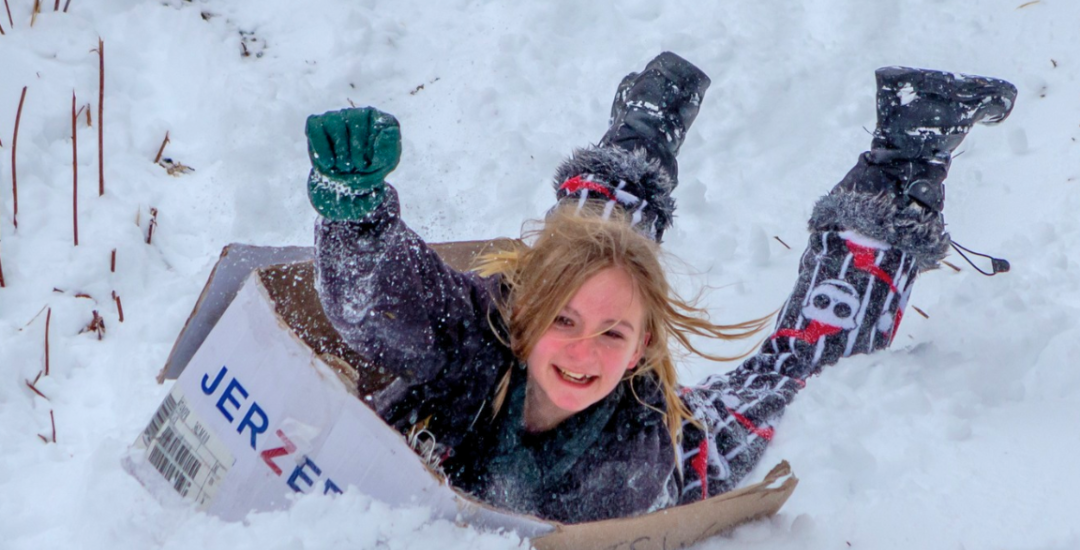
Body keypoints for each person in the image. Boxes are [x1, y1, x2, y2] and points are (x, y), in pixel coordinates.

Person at [307, 53, 1017, 524]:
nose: (584, 351)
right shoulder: (476, 333)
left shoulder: (636, 450)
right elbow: (380, 310)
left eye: (615, 333)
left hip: (691, 454)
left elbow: (521, 536)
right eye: (562, 324)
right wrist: (358, 219)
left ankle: (904, 161)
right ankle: (643, 129)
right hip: (536, 314)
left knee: (796, 368)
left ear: (645, 344)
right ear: (519, 313)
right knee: (583, 260)